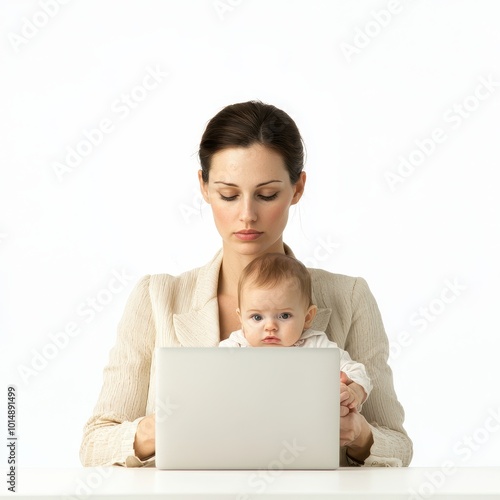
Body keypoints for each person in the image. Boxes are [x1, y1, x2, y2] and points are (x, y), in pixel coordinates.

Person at [80, 100, 413, 468]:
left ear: (297, 188)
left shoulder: (349, 298)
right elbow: (94, 445)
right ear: (204, 187)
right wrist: (154, 432)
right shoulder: (156, 298)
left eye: (267, 194)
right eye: (228, 194)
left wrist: (360, 436)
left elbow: (399, 445)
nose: (247, 215)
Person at [219, 252, 372, 412]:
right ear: (241, 318)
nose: (270, 326)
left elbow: (357, 372)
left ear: (307, 317)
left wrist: (354, 391)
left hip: (301, 423)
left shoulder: (316, 346)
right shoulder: (234, 347)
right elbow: (211, 382)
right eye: (257, 317)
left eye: (284, 315)